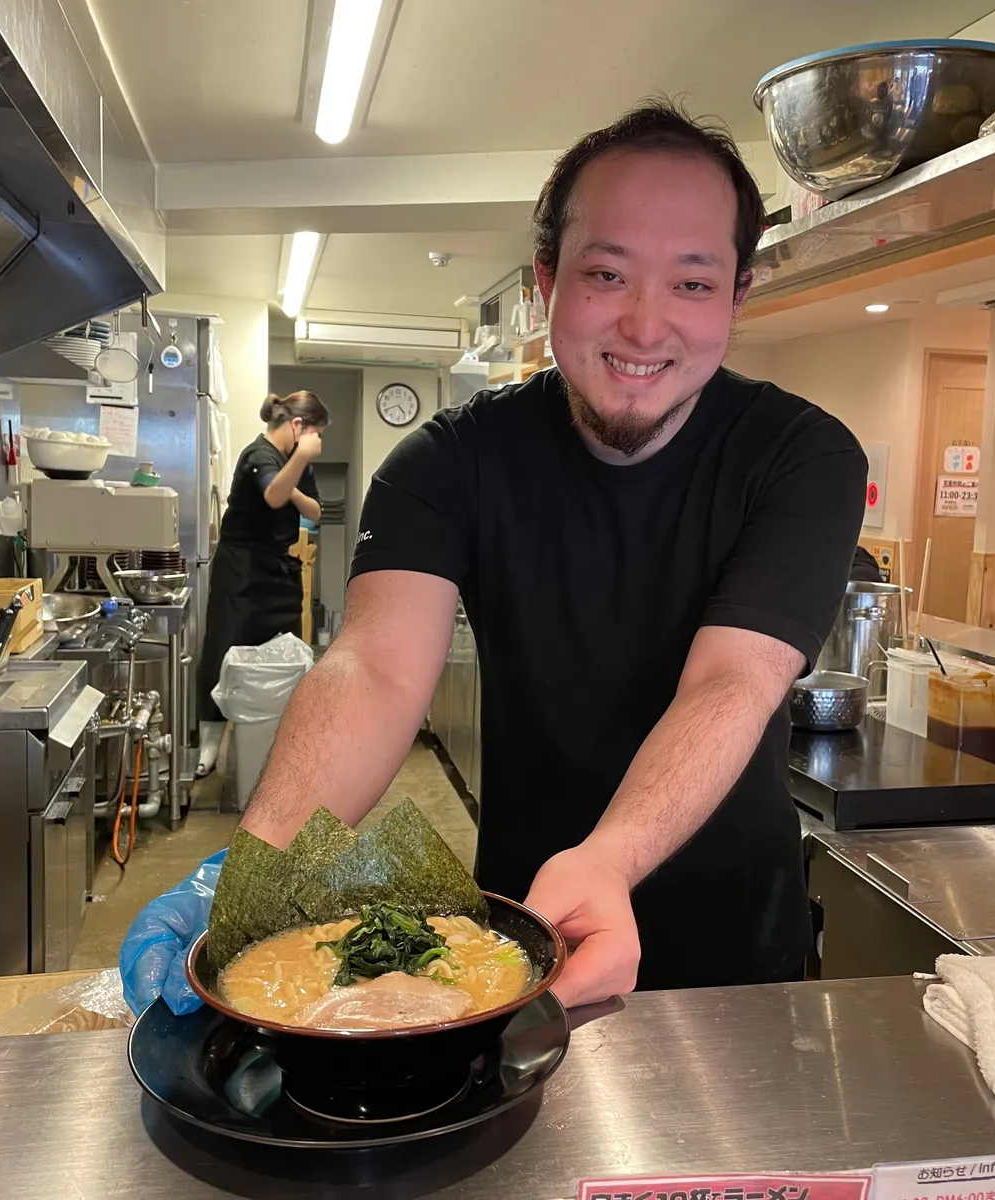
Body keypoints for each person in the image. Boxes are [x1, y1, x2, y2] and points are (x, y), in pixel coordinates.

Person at [129, 100, 866, 1011]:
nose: (644, 326)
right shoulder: (449, 461)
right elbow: (375, 669)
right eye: (607, 273)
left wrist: (609, 860)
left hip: (737, 961)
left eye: (692, 283)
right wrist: (250, 871)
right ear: (546, 280)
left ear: (737, 297)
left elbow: (734, 681)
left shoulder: (803, 457)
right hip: (517, 941)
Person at [195, 391, 328, 774]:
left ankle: (275, 740)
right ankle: (209, 744)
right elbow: (273, 496)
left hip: (277, 568)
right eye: (314, 433)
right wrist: (300, 459)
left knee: (282, 655)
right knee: (223, 651)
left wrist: (297, 478)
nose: (317, 443)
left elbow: (316, 511)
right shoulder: (259, 455)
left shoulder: (295, 462)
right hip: (241, 569)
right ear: (298, 426)